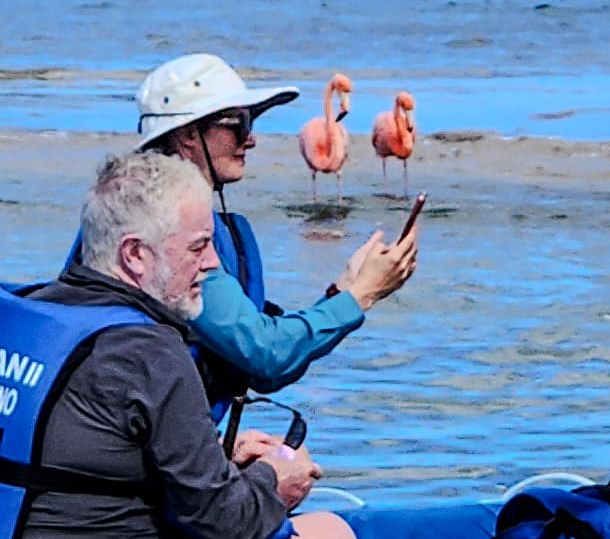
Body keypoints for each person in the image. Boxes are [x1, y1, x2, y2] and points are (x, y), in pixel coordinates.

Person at [0, 148, 360, 539]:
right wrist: (275, 481)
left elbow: (77, 457)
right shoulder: (151, 351)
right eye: (198, 247)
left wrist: (220, 456)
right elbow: (227, 522)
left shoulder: (38, 315)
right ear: (135, 255)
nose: (213, 263)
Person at [114, 53, 420, 402]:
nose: (251, 139)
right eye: (239, 125)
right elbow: (264, 353)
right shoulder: (166, 229)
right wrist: (362, 293)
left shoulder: (147, 209)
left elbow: (261, 360)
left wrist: (342, 290)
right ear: (187, 136)